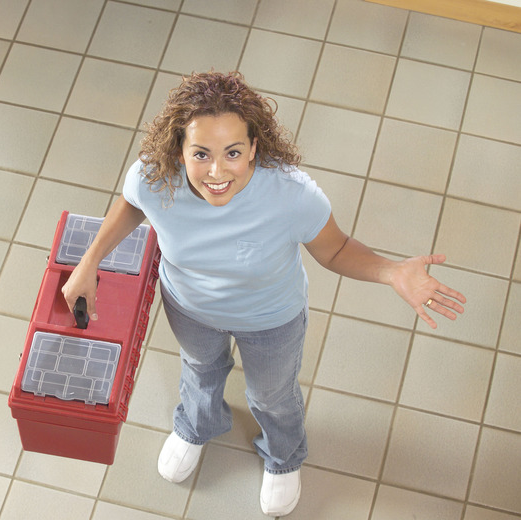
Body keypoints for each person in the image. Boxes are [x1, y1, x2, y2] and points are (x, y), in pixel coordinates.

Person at [61, 71, 466, 516]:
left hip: (271, 320)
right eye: (201, 154)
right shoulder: (155, 178)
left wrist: (391, 272)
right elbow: (133, 204)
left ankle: (283, 456)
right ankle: (198, 425)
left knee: (272, 396)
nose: (217, 172)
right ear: (179, 149)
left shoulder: (291, 194)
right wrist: (89, 261)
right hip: (190, 308)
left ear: (254, 147)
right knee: (199, 368)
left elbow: (336, 250)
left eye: (233, 152)